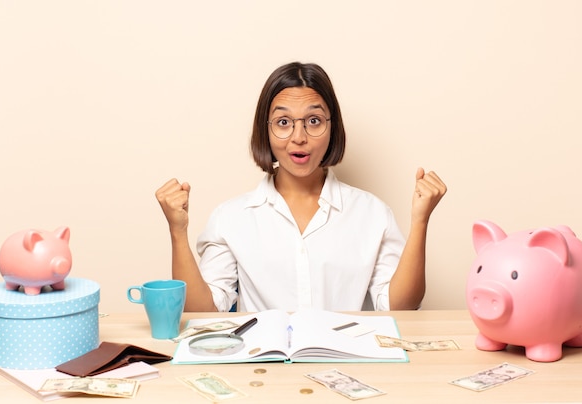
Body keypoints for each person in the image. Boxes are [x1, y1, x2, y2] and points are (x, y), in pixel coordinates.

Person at [156, 62, 446, 313]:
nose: (299, 137)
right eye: (283, 122)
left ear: (332, 127)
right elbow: (203, 310)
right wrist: (177, 231)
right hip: (264, 370)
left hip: (347, 363)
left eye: (314, 121)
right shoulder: (231, 217)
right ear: (265, 130)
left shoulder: (372, 212)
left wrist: (420, 221)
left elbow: (398, 307)